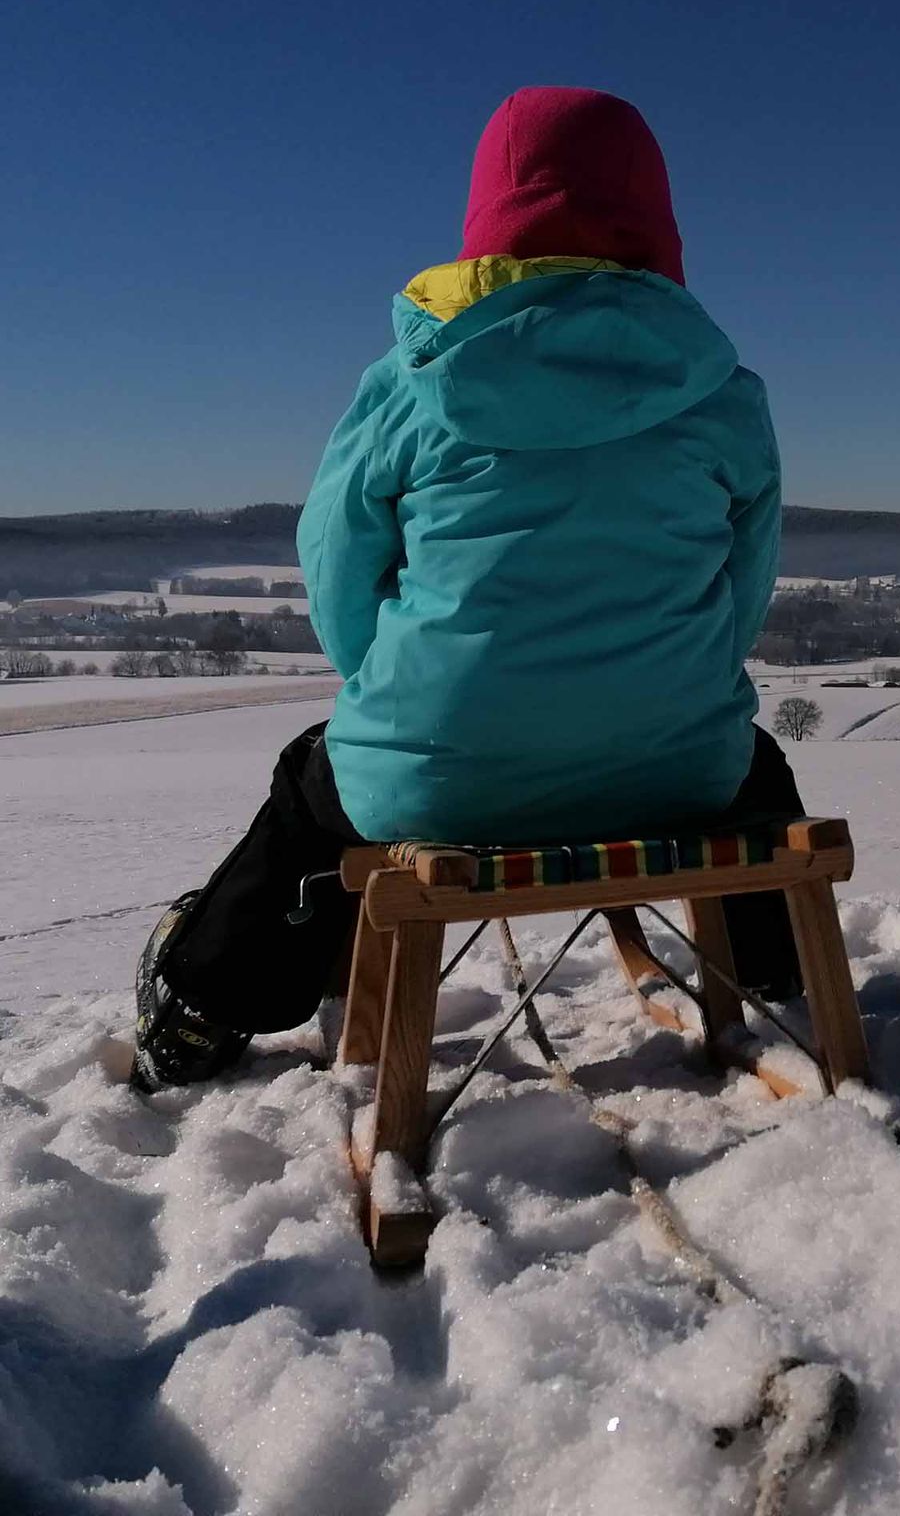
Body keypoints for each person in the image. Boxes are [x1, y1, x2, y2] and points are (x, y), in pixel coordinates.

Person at [132, 86, 805, 1091]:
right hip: (677, 770)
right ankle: (774, 975)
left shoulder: (408, 382)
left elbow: (339, 562)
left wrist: (395, 688)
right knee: (754, 767)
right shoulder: (723, 392)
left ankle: (203, 1001)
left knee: (313, 790)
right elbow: (742, 586)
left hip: (437, 775)